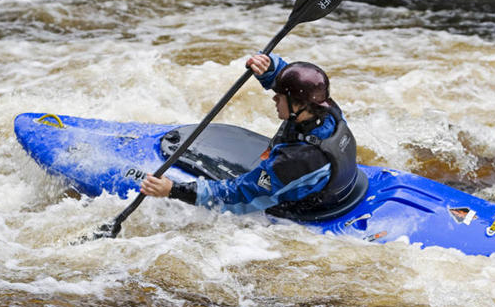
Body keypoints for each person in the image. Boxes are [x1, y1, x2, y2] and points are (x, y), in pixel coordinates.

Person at [140, 53, 359, 219]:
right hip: (342, 187)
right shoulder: (327, 111)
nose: (274, 100)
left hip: (302, 205)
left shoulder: (295, 160)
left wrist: (174, 190)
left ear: (300, 105)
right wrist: (270, 67)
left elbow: (241, 194)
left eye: (279, 97)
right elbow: (294, 82)